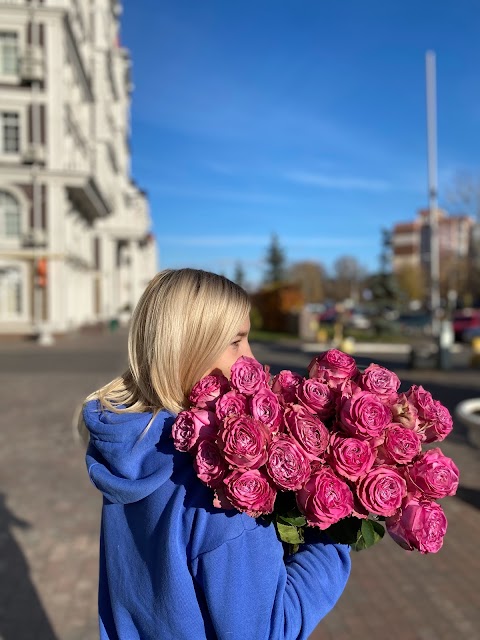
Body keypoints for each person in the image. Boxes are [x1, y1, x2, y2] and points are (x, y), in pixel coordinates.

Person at [81, 268, 351, 640]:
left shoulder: (130, 443)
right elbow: (271, 630)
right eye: (236, 342)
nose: (252, 360)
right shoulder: (220, 486)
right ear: (188, 349)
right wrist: (335, 532)